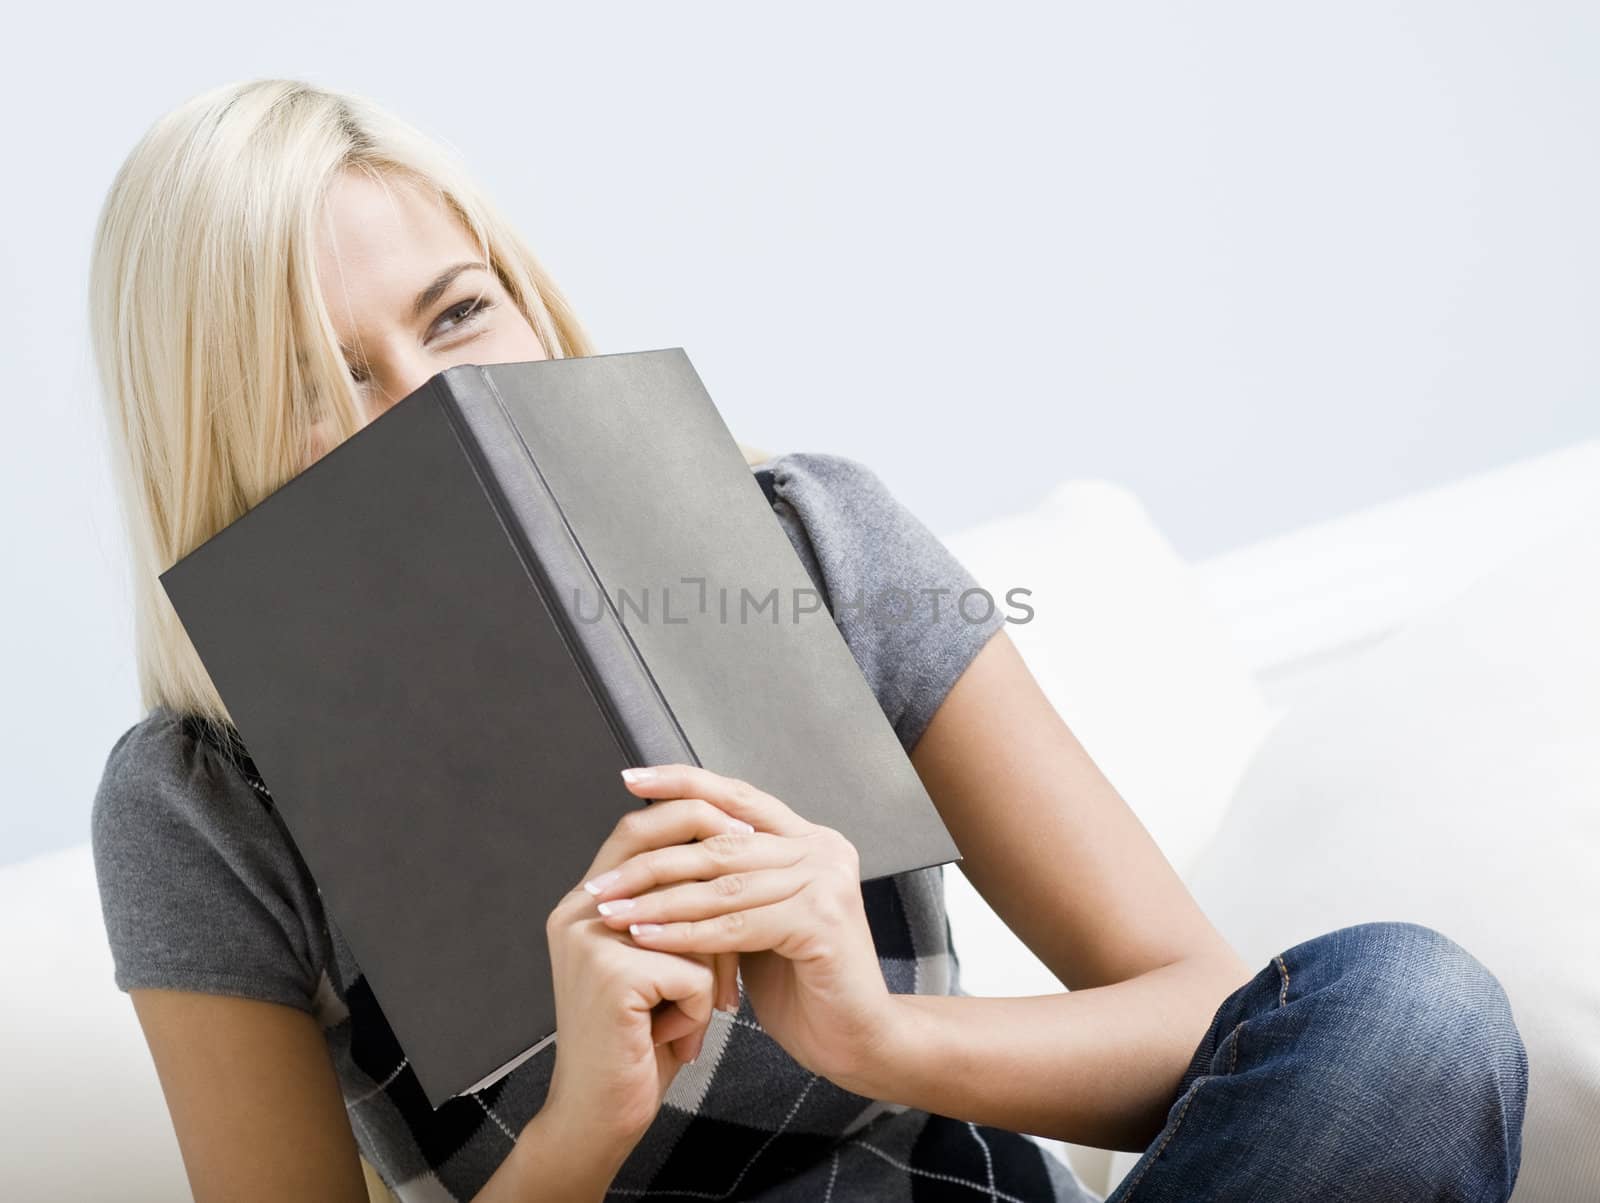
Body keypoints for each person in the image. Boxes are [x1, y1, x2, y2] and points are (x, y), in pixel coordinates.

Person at [87, 78, 1528, 1203]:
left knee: (1409, 1013)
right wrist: (587, 1123)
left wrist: (874, 1038)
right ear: (218, 443)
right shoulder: (199, 804)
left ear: (531, 305)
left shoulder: (817, 542)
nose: (421, 404)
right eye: (320, 385)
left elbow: (1200, 1022)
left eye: (458, 315)